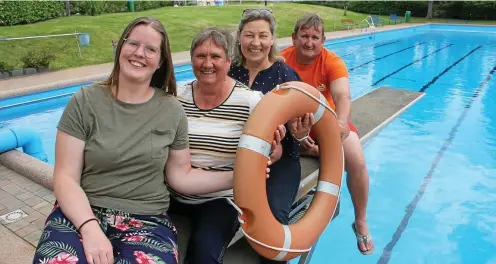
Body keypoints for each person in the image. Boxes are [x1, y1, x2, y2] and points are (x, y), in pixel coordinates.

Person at [32, 17, 245, 264]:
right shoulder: (85, 101)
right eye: (133, 43)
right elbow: (65, 177)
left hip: (146, 219)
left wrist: (237, 176)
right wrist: (89, 227)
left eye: (150, 49)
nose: (139, 53)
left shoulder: (171, 110)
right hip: (81, 212)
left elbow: (180, 176)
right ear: (120, 47)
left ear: (160, 61)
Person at [166, 27, 285, 264]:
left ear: (229, 61)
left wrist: (271, 149)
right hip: (173, 197)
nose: (207, 63)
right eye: (200, 56)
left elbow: (276, 152)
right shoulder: (176, 97)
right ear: (191, 60)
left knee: (204, 254)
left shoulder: (250, 101)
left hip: (221, 200)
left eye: (215, 57)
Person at [280, 13, 375, 255]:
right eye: (304, 36)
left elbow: (343, 96)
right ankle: (311, 149)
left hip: (326, 122)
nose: (309, 42)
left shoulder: (332, 61)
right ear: (294, 37)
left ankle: (361, 220)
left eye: (315, 37)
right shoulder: (282, 60)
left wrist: (341, 124)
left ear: (323, 40)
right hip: (293, 122)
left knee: (357, 161)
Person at [228, 8, 312, 264]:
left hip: (280, 162)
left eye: (263, 35)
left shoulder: (286, 77)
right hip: (235, 160)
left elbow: (300, 132)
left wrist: (299, 136)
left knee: (274, 217)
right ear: (239, 37)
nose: (256, 43)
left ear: (272, 39)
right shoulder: (228, 72)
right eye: (249, 35)